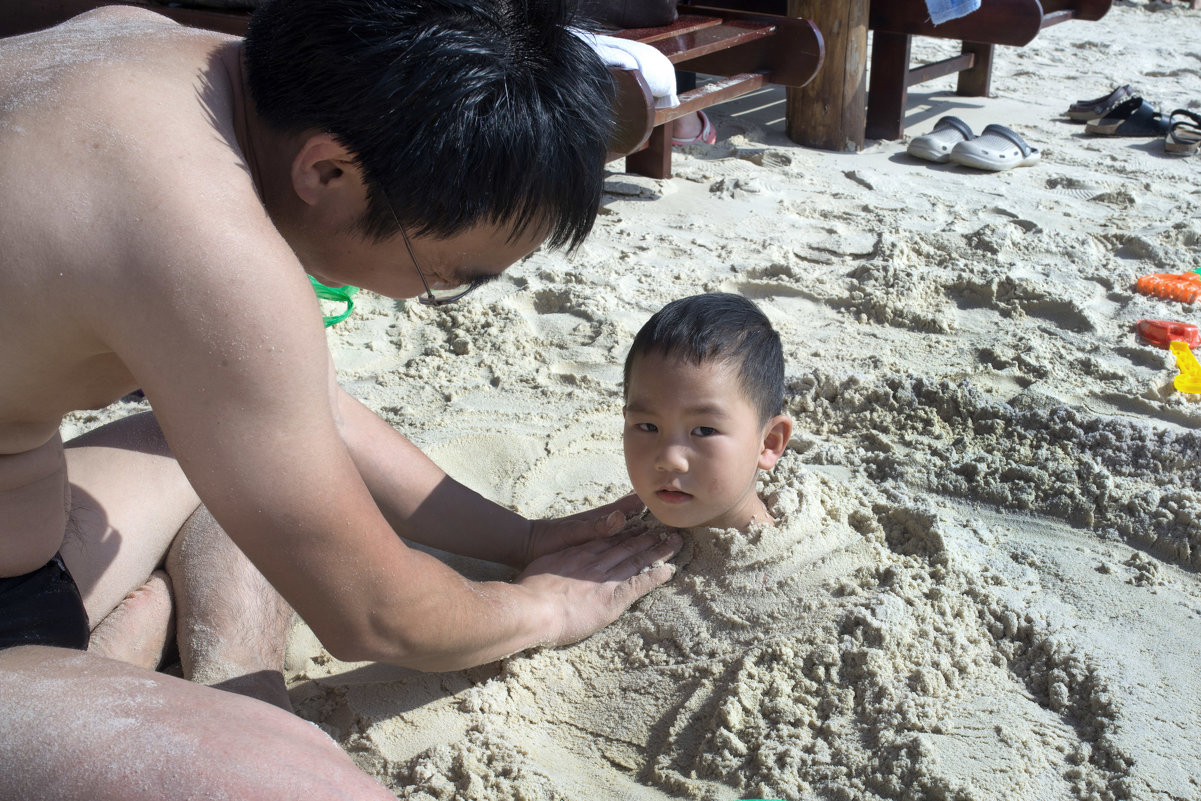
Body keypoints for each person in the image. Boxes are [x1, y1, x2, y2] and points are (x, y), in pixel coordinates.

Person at [0, 0, 682, 798]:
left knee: (238, 449)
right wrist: (543, 608)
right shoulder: (208, 249)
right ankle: (128, 680)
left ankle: (193, 673)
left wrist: (522, 539)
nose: (431, 294)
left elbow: (303, 409)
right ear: (326, 172)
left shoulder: (160, 52)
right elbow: (375, 615)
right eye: (449, 278)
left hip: (29, 551)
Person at [622, 293, 794, 531]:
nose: (670, 460)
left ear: (768, 442)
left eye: (704, 430)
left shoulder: (792, 563)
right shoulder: (611, 530)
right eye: (649, 427)